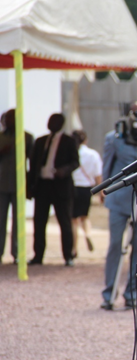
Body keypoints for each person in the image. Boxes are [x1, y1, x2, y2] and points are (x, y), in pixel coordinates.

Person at [100, 101, 137, 310]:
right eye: (135, 113)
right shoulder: (114, 138)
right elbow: (107, 166)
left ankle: (132, 293)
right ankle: (109, 293)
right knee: (115, 244)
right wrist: (104, 190)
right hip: (118, 198)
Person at [27, 113, 79, 266]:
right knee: (39, 222)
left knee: (65, 222)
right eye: (50, 121)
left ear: (61, 124)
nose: (50, 124)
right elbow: (33, 165)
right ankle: (38, 255)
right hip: (42, 186)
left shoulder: (69, 141)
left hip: (61, 187)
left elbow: (75, 162)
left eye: (54, 121)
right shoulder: (40, 141)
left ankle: (68, 256)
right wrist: (30, 186)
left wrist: (63, 171)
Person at [0, 109, 34, 265]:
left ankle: (17, 253)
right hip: (2, 184)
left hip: (19, 184)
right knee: (1, 220)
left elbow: (33, 161)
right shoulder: (1, 137)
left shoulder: (26, 137)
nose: (8, 121)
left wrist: (30, 185)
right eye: (7, 118)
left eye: (12, 118)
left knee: (18, 221)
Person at [70, 130, 103, 259]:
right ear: (86, 140)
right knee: (84, 216)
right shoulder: (93, 154)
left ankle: (73, 248)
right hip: (86, 188)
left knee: (73, 220)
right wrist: (101, 191)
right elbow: (98, 174)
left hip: (73, 187)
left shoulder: (71, 153)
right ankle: (87, 234)